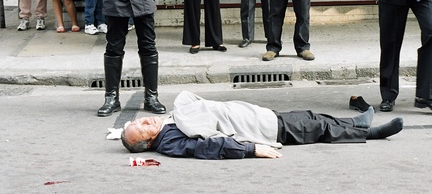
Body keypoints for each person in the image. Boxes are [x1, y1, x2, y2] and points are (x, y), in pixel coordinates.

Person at [121, 91, 404, 159]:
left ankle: (357, 122)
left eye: (140, 120)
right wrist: (251, 149)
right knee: (316, 127)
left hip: (256, 116)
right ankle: (371, 132)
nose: (145, 119)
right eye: (142, 127)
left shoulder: (168, 124)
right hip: (260, 130)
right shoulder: (171, 141)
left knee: (311, 117)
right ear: (147, 142)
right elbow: (207, 147)